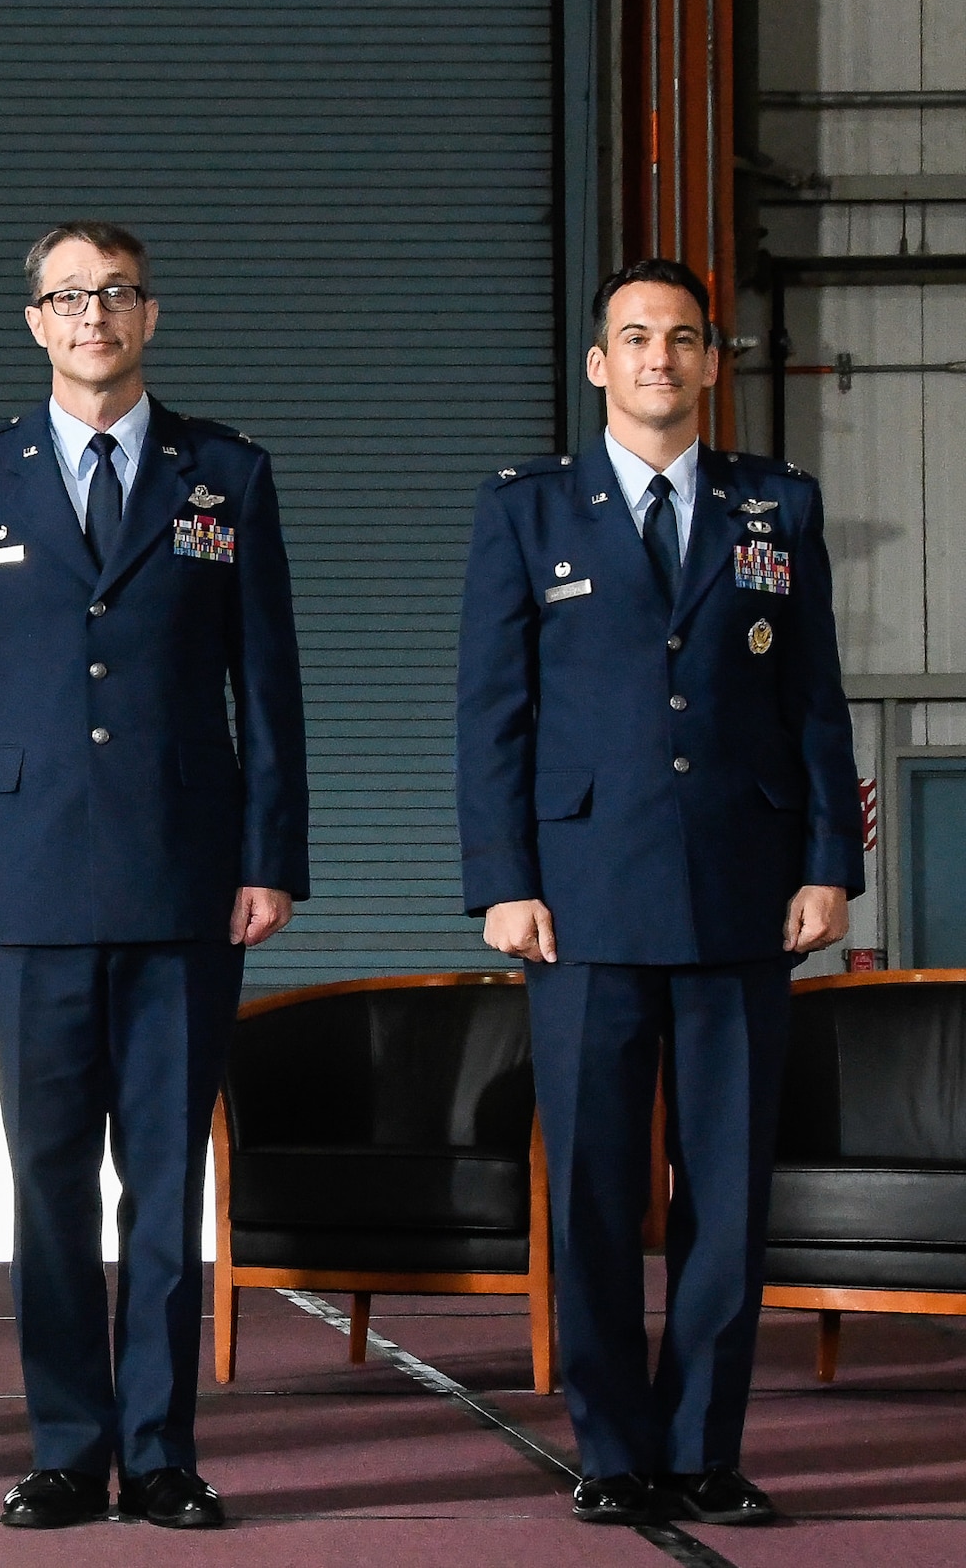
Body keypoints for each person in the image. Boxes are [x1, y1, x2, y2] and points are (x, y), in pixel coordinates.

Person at [0, 222, 311, 1530]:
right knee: (48, 1181)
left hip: (188, 881)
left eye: (116, 295)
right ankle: (71, 1446)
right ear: (32, 320)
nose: (93, 317)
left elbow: (272, 684)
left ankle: (164, 1447)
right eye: (68, 298)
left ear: (151, 314)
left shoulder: (226, 475)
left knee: (162, 1180)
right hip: (22, 887)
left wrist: (272, 854)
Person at [455, 258, 864, 1528]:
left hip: (742, 896)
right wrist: (502, 881)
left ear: (708, 363)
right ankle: (614, 1447)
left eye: (680, 339)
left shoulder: (772, 508)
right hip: (577, 902)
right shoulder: (528, 509)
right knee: (587, 1190)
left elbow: (811, 700)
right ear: (596, 364)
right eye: (633, 338)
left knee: (726, 1194)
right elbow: (492, 717)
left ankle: (701, 1444)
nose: (656, 359)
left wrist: (825, 865)